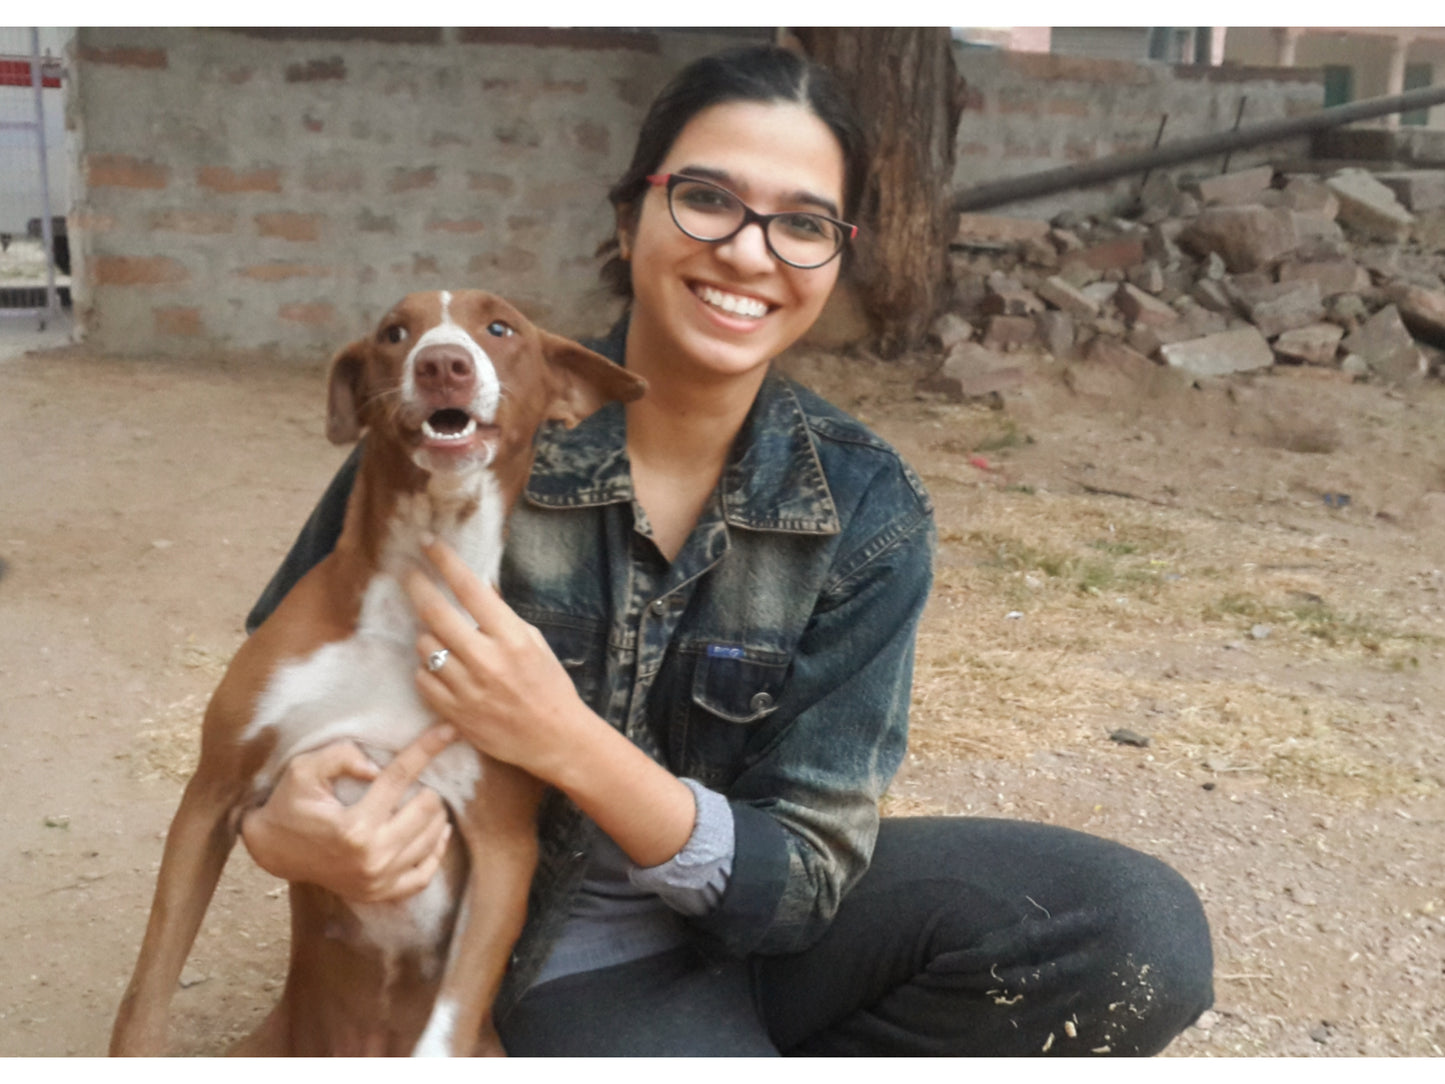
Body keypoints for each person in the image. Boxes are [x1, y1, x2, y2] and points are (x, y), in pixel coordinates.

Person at [239, 44, 1213, 1056]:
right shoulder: (456, 435)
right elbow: (269, 723)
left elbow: (806, 870)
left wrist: (567, 740)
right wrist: (277, 828)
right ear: (630, 217)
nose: (749, 253)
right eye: (706, 198)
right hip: (553, 956)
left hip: (758, 930)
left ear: (834, 257)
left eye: (800, 223)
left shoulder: (864, 503)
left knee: (1136, 936)